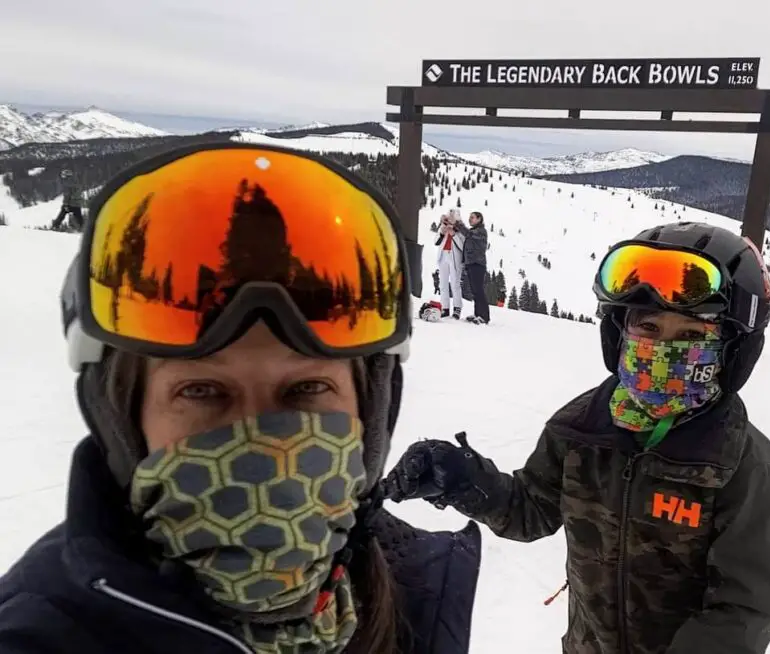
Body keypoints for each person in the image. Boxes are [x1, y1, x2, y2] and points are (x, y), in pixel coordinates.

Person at [0, 143, 482, 654]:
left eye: (307, 388)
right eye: (202, 390)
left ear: (373, 410)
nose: (262, 444)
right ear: (121, 421)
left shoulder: (415, 591)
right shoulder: (41, 634)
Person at [385, 221, 770, 654]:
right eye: (649, 329)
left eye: (691, 336)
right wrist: (461, 476)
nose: (661, 351)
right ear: (618, 333)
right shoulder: (583, 430)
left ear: (733, 351)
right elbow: (530, 510)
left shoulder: (742, 469)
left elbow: (743, 609)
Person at [455, 211, 489, 325]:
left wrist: (459, 224)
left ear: (479, 219)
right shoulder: (474, 231)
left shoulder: (481, 231)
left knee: (478, 290)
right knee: (475, 291)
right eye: (469, 217)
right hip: (471, 264)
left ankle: (484, 316)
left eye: (472, 218)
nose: (470, 219)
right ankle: (477, 314)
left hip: (478, 264)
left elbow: (468, 234)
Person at [434, 210, 464, 319]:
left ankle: (457, 308)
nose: (449, 219)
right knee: (443, 284)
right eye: (448, 216)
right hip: (443, 256)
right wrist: (442, 232)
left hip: (455, 257)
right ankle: (445, 308)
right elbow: (435, 241)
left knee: (455, 284)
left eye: (452, 217)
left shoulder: (460, 229)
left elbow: (462, 246)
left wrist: (454, 234)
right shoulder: (443, 226)